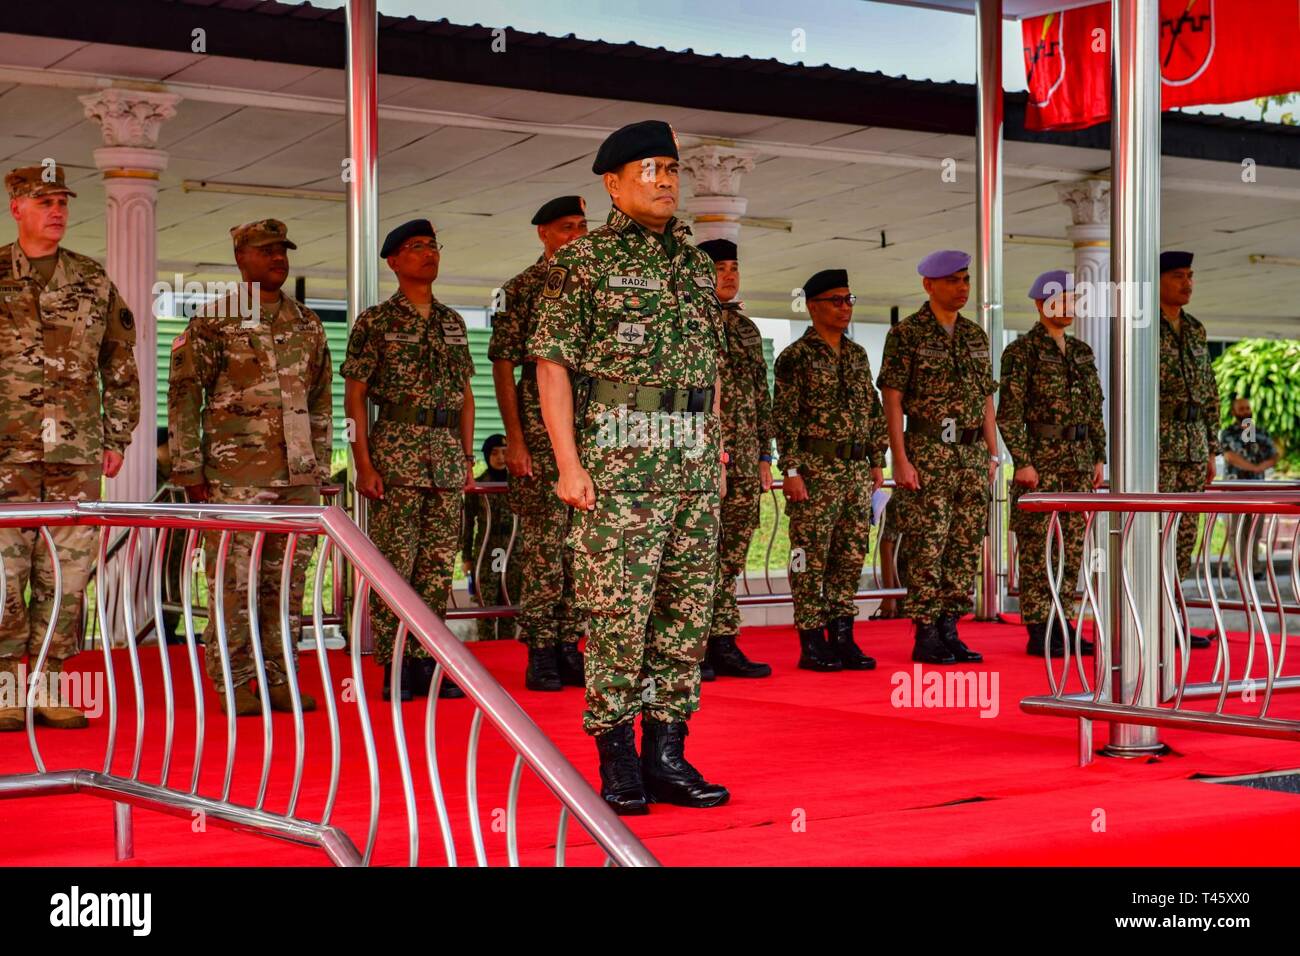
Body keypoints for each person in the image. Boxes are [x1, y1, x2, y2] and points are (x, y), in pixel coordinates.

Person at [528, 119, 729, 814]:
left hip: (694, 466)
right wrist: (567, 464)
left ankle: (667, 754)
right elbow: (552, 366)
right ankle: (618, 761)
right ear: (611, 184)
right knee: (619, 613)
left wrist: (717, 448)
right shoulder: (580, 263)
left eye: (672, 170)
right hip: (619, 464)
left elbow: (712, 369)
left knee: (684, 614)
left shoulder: (697, 265)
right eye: (650, 170)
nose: (667, 181)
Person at [168, 219, 330, 715]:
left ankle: (278, 677)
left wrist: (319, 466)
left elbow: (320, 398)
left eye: (283, 250)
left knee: (286, 585)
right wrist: (188, 467)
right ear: (241, 259)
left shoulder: (307, 323)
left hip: (296, 479)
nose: (278, 257)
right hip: (235, 477)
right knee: (233, 584)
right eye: (266, 250)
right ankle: (233, 680)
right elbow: (184, 397)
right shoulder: (213, 322)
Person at [0, 164, 140, 731]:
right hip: (6, 451)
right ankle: (7, 687)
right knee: (5, 573)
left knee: (68, 574)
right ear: (17, 208)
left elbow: (120, 361)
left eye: (61, 200)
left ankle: (52, 684)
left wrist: (117, 434)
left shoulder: (90, 278)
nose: (56, 210)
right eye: (43, 201)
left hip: (75, 451)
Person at [342, 219, 474, 701]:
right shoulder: (375, 322)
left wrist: (465, 456)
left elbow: (465, 396)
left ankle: (427, 662)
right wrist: (363, 462)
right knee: (395, 565)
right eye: (415, 247)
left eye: (432, 246)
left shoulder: (453, 322)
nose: (428, 253)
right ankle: (395, 663)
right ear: (394, 262)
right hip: (396, 451)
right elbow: (354, 397)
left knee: (438, 566)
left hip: (444, 453)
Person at [878, 250, 998, 665]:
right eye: (953, 280)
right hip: (928, 450)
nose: (962, 288)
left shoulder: (975, 336)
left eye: (965, 280)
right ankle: (925, 631)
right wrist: (901, 458)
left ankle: (950, 626)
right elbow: (892, 399)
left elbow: (985, 399)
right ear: (929, 285)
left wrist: (992, 452)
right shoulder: (907, 335)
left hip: (970, 453)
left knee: (964, 544)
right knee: (927, 543)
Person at [489, 196, 589, 691]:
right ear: (543, 234)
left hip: (591, 438)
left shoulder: (595, 287)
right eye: (566, 228)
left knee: (582, 549)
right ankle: (542, 650)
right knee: (545, 549)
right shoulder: (520, 290)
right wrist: (515, 439)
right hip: (541, 439)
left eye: (582, 226)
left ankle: (572, 645)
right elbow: (503, 365)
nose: (577, 235)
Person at [773, 269, 886, 672]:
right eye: (835, 301)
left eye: (849, 299)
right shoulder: (795, 357)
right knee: (809, 556)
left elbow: (873, 413)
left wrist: (877, 459)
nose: (845, 308)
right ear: (812, 306)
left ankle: (842, 636)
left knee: (849, 555)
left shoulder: (857, 355)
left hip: (855, 472)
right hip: (815, 470)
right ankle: (812, 640)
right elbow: (783, 417)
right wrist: (790, 469)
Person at [997, 270, 1105, 657]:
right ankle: (1039, 626)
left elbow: (1095, 409)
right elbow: (1008, 413)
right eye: (1060, 299)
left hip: (1077, 462)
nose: (1068, 306)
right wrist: (1022, 462)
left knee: (1071, 549)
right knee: (1038, 547)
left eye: (1073, 299)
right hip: (1040, 463)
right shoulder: (1022, 351)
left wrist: (1098, 455)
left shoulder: (1082, 352)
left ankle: (1065, 621)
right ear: (1040, 304)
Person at [696, 238, 772, 680]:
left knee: (730, 557)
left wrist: (765, 454)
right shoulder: (688, 321)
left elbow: (761, 397)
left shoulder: (747, 330)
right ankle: (694, 645)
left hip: (743, 461)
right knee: (697, 554)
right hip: (703, 460)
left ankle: (724, 641)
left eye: (733, 267)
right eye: (719, 267)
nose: (729, 274)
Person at [1158, 251, 1221, 648]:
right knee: (1156, 532)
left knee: (1184, 537)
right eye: (1179, 276)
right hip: (1159, 446)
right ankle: (1152, 619)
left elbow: (1210, 393)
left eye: (1191, 276)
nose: (1188, 283)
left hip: (1194, 446)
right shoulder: (1143, 326)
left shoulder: (1195, 329)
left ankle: (1174, 618)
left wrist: (1212, 448)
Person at [460, 434, 521, 641]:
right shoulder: (477, 486)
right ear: (486, 456)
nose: (500, 457)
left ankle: (507, 647)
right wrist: (466, 557)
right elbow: (467, 524)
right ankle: (487, 648)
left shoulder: (518, 483)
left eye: (504, 452)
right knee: (486, 604)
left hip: (514, 551)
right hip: (486, 552)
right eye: (494, 453)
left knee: (510, 604)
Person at [1220, 396, 1277, 480]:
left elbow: (1274, 456)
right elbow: (1229, 456)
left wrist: (1261, 467)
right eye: (1241, 409)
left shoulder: (1262, 432)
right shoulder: (1227, 433)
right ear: (1233, 412)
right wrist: (1254, 468)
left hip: (1257, 484)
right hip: (1233, 484)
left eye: (1247, 408)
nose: (1245, 411)